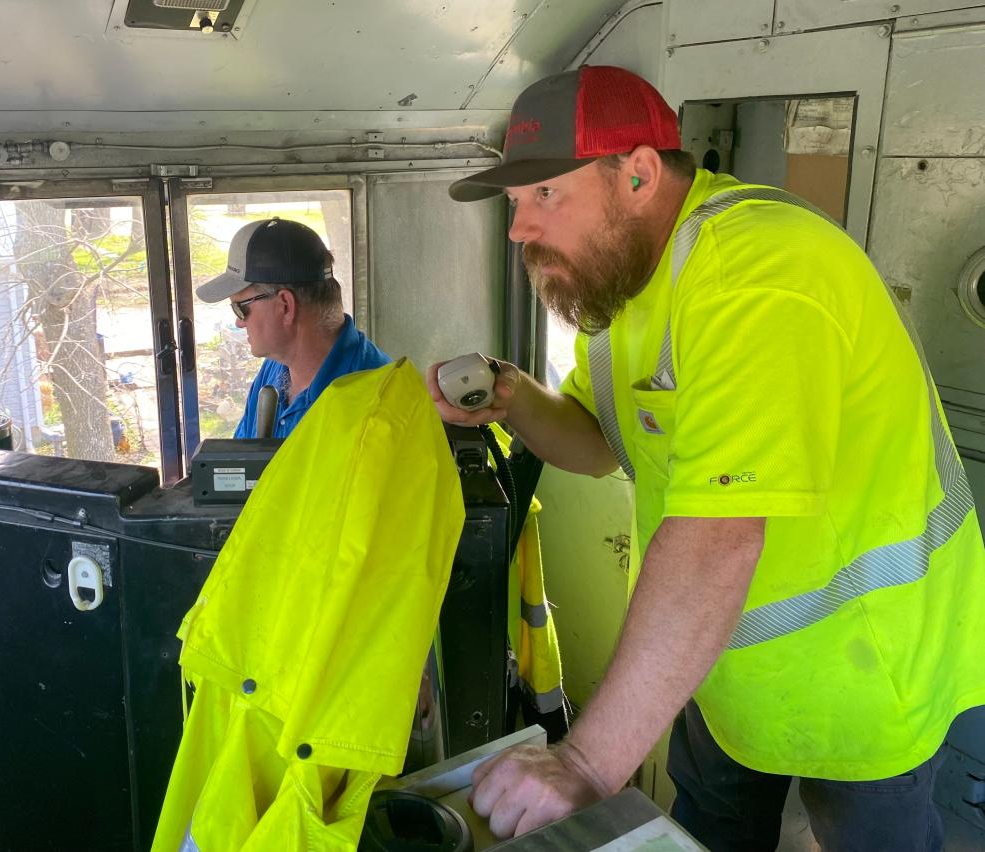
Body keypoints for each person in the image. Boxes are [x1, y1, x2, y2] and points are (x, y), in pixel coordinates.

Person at [427, 64, 985, 850]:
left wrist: (586, 759)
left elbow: (719, 534)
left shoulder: (758, 275)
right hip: (720, 666)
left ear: (639, 174)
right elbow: (595, 445)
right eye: (515, 203)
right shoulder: (625, 285)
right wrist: (512, 397)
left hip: (864, 667)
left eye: (546, 194)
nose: (518, 228)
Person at [196, 217, 390, 438]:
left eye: (240, 308)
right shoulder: (275, 367)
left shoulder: (376, 402)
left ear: (285, 306)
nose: (239, 322)